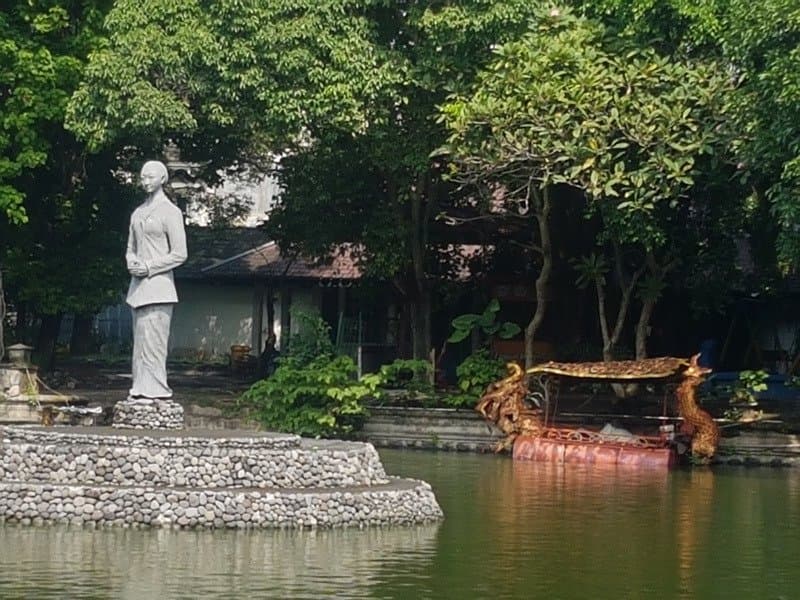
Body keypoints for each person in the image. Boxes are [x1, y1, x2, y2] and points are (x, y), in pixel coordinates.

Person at [125, 160, 187, 400]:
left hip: (159, 287)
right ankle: (139, 387)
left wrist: (150, 267)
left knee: (154, 342)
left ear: (162, 179)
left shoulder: (170, 212)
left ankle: (156, 389)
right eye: (142, 177)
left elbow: (180, 253)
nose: (145, 181)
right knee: (140, 343)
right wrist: (131, 261)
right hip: (138, 288)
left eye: (150, 177)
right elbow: (130, 247)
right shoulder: (137, 213)